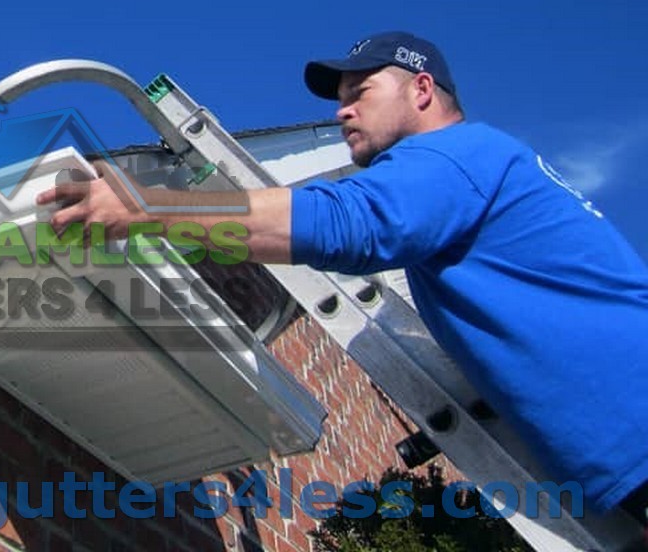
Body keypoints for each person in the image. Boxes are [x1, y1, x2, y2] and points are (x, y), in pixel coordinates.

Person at [39, 31, 648, 532]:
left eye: (362, 91)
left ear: (423, 89)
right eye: (341, 97)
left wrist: (148, 207)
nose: (342, 110)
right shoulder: (471, 174)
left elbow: (348, 221)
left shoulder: (456, 156)